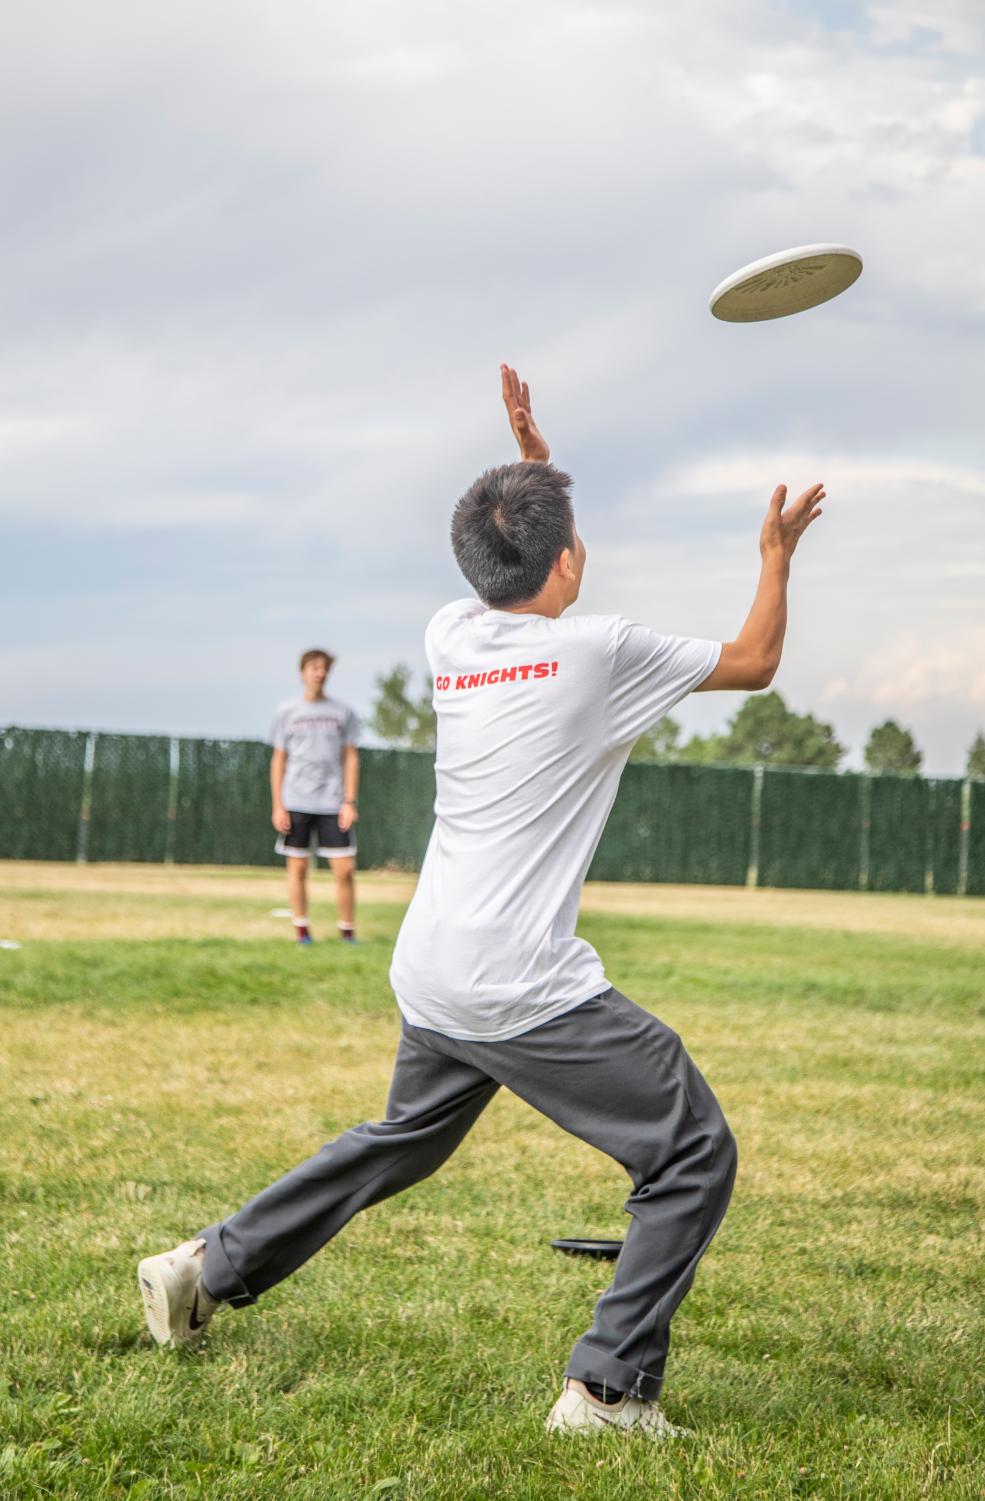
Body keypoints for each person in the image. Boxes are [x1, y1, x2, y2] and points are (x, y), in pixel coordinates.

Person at [138, 366, 824, 1436]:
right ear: (564, 558)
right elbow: (756, 660)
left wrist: (532, 465)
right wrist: (774, 560)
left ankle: (203, 1266)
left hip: (432, 967)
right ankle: (605, 1390)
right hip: (520, 981)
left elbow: (515, 551)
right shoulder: (598, 651)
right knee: (691, 1151)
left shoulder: (450, 634)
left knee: (400, 1140)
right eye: (567, 532)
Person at [269, 649, 361, 944]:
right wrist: (278, 805)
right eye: (314, 667)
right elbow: (278, 760)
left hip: (333, 802)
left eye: (324, 668)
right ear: (302, 672)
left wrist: (349, 801)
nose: (319, 673)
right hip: (296, 801)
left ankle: (347, 932)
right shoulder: (287, 712)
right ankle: (302, 931)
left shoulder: (342, 712)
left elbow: (350, 757)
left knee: (345, 869)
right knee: (297, 867)